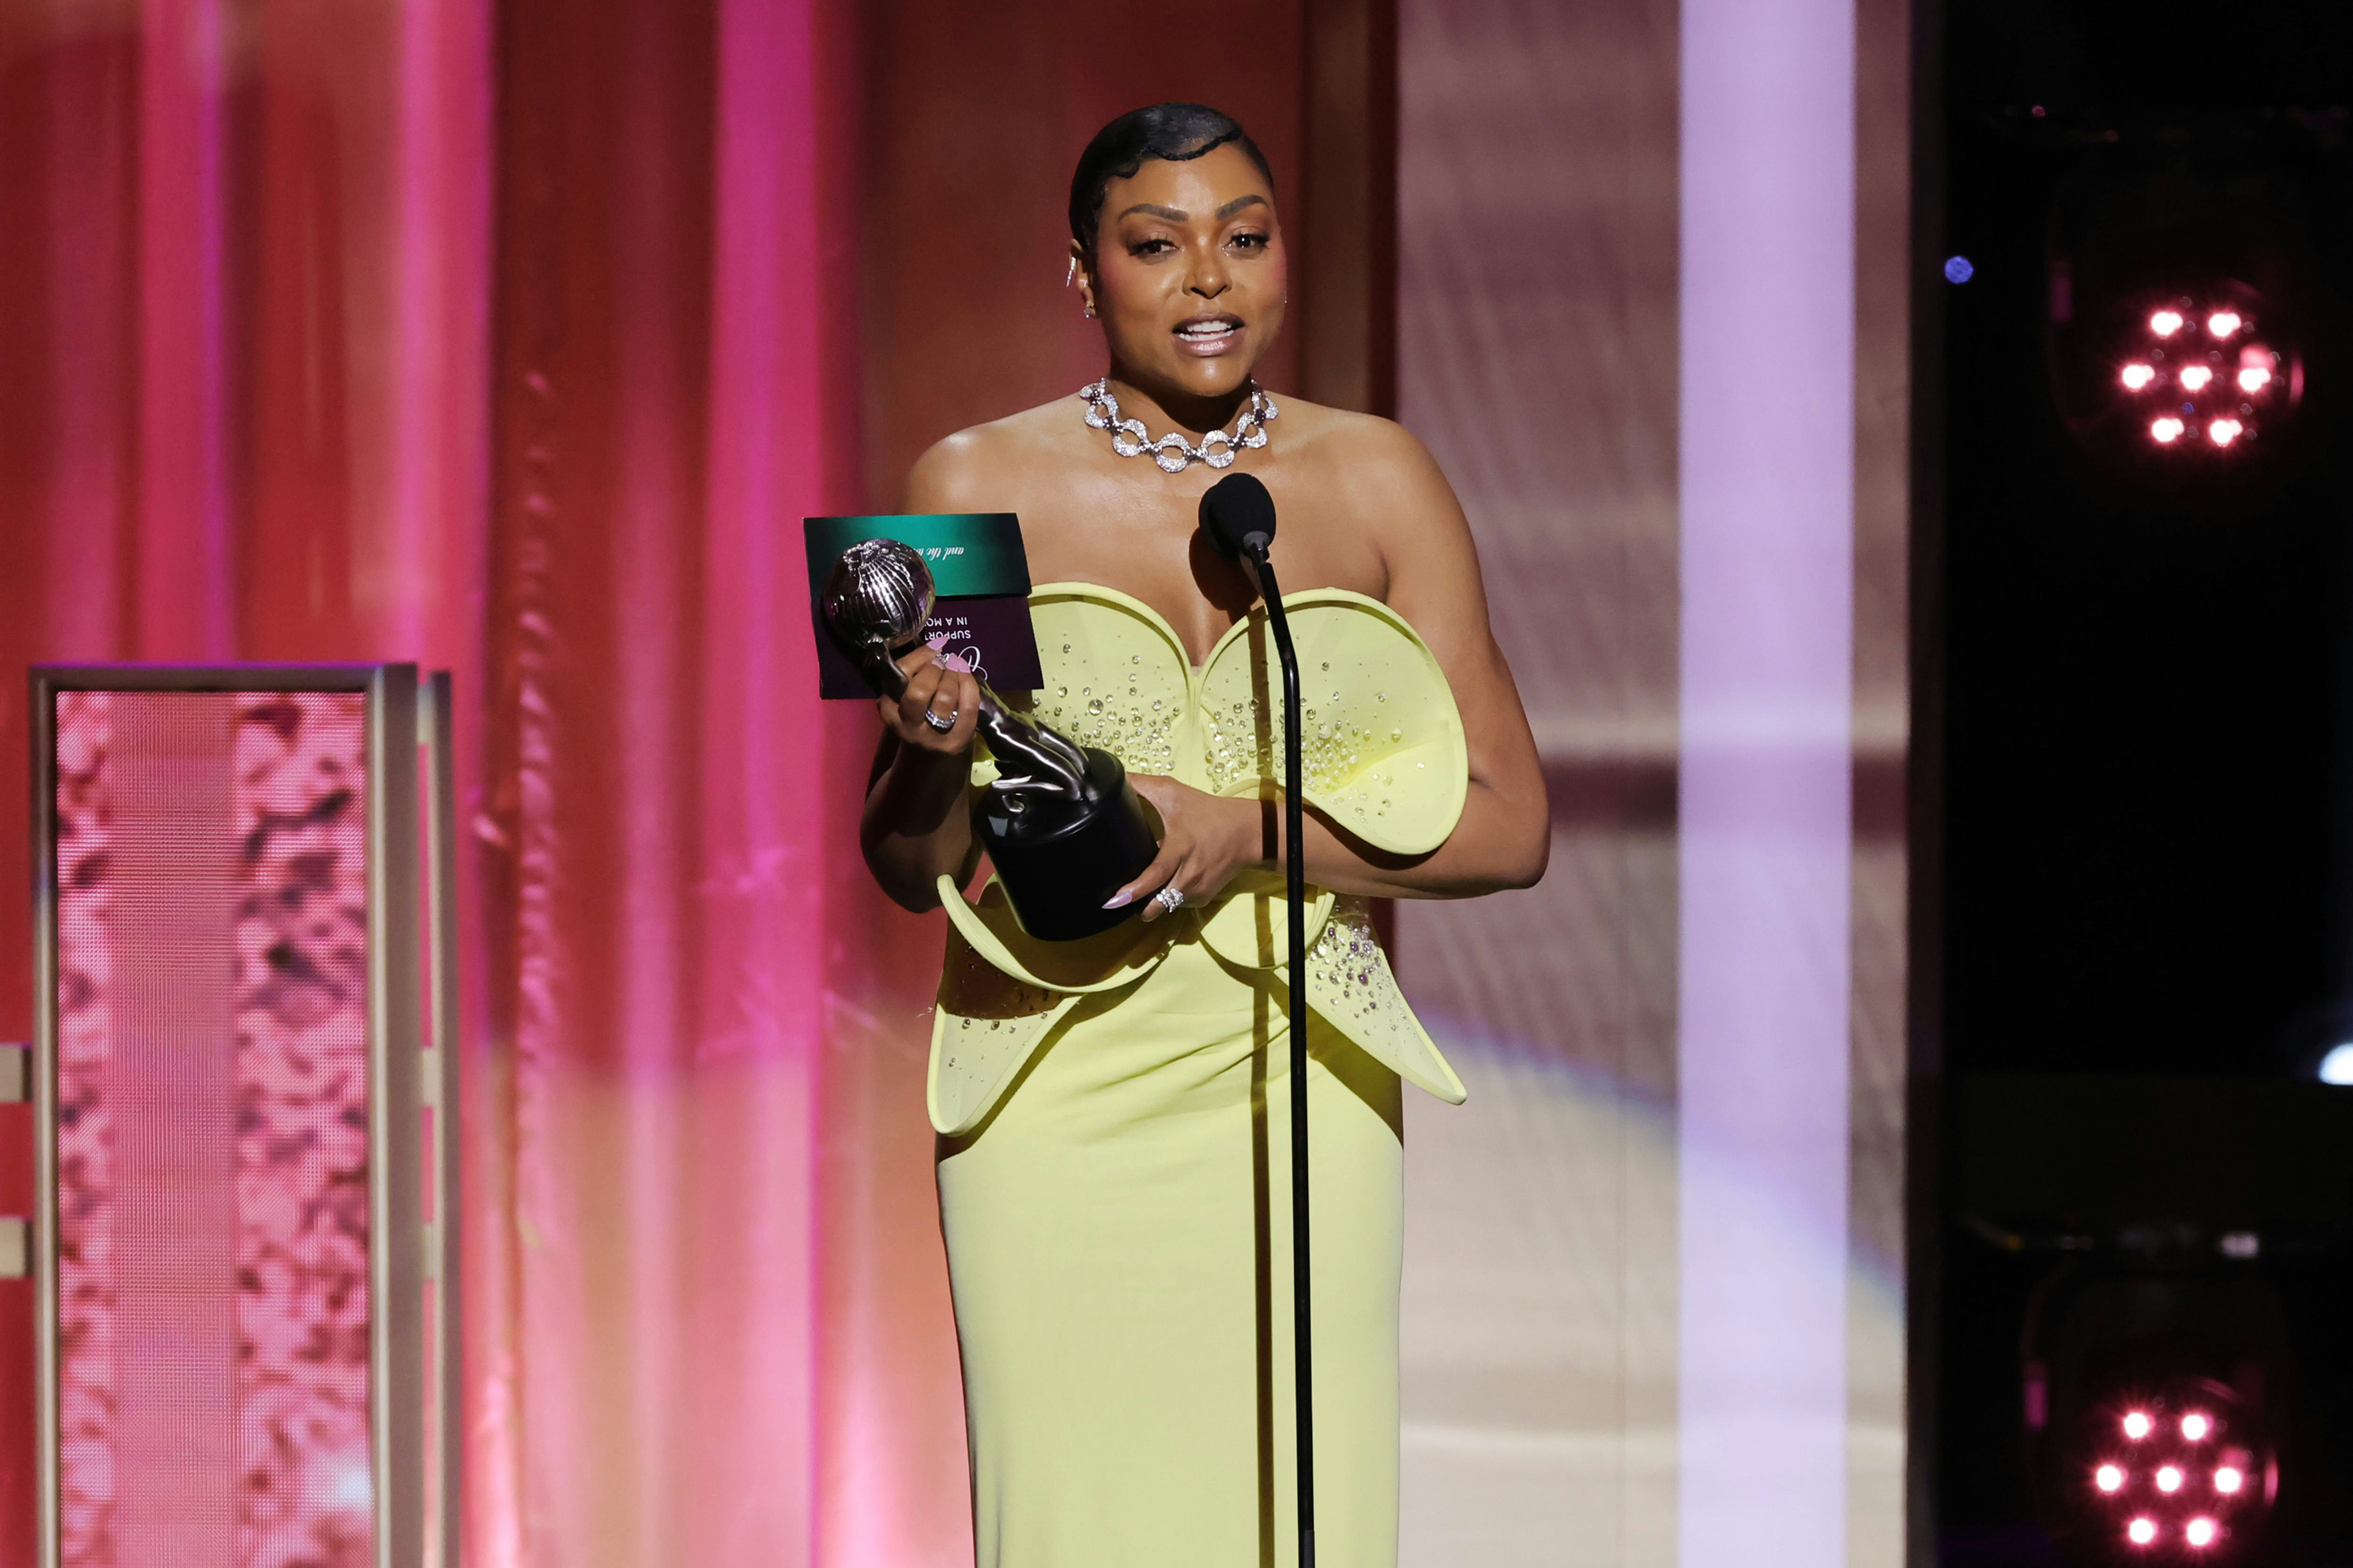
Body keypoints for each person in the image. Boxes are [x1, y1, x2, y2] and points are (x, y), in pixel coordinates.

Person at [858, 102, 1548, 1568]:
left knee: (1299, 1506)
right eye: (1157, 246)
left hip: (1295, 1071)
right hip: (1055, 1078)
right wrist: (926, 753)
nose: (1211, 281)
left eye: (1246, 238)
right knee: (1076, 1517)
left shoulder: (1377, 481)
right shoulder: (974, 485)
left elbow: (1511, 821)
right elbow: (912, 869)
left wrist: (1254, 832)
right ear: (1083, 270)